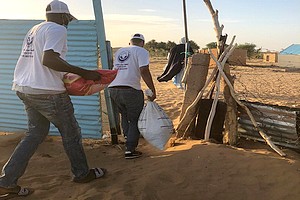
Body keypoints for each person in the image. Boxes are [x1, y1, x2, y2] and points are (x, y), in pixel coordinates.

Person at [0, 0, 106, 198]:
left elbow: (43, 61)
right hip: (48, 92)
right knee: (71, 133)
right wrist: (84, 72)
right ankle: (82, 174)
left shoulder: (35, 29)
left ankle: (6, 181)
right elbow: (48, 59)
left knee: (35, 134)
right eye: (67, 18)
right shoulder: (57, 29)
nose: (68, 22)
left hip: (25, 89)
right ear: (62, 16)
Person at [108, 33, 156, 159]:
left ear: (130, 42)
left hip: (113, 89)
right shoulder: (142, 51)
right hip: (130, 90)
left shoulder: (120, 51)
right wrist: (152, 89)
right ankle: (130, 149)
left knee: (124, 114)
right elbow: (144, 70)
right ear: (142, 43)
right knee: (135, 119)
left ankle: (127, 136)